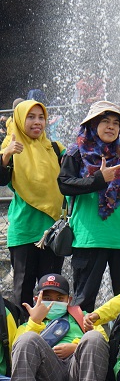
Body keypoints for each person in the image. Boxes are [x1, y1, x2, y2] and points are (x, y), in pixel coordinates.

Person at [58, 101, 120, 312]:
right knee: (84, 301)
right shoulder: (76, 154)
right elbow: (64, 184)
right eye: (105, 121)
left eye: (116, 123)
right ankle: (83, 335)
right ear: (92, 124)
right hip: (90, 238)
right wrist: (99, 179)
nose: (111, 126)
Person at [0, 274, 108, 381]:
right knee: (27, 338)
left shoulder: (83, 317)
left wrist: (76, 347)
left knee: (94, 337)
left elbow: (103, 341)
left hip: (79, 374)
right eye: (47, 298)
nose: (53, 302)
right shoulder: (28, 325)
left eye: (59, 298)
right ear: (37, 299)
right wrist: (34, 322)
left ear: (69, 300)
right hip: (49, 379)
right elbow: (17, 351)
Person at [0, 99, 66, 308]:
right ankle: (22, 329)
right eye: (30, 117)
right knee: (23, 292)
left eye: (41, 117)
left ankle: (51, 328)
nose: (37, 122)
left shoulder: (55, 148)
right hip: (24, 230)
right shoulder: (11, 147)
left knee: (51, 292)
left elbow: (75, 174)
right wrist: (7, 154)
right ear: (20, 120)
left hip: (52, 231)